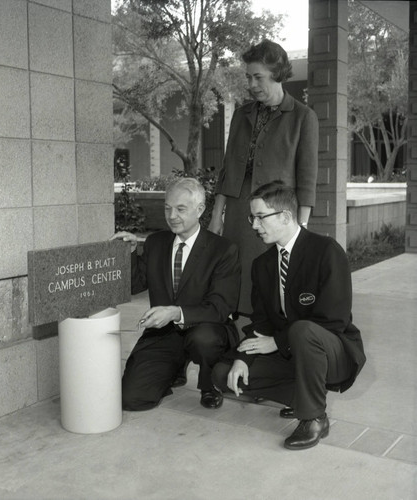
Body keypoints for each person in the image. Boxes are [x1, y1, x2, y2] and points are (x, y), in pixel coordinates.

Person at [211, 181, 366, 450]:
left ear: (285, 216)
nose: (254, 225)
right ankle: (300, 398)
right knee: (223, 373)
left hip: (333, 352)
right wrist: (242, 358)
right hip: (292, 352)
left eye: (260, 217)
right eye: (252, 217)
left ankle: (314, 418)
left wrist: (277, 343)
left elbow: (335, 319)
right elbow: (261, 321)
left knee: (302, 330)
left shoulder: (326, 251)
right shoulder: (262, 265)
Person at [208, 39, 319, 316]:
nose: (252, 84)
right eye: (248, 77)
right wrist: (216, 215)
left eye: (258, 77)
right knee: (237, 277)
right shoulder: (241, 114)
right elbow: (228, 168)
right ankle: (236, 338)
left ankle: (269, 336)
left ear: (277, 74)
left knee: (271, 281)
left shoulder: (303, 117)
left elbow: (307, 177)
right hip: (238, 212)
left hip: (277, 214)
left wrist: (301, 226)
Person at [111, 177, 241, 411]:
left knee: (204, 339)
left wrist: (175, 312)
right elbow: (134, 285)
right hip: (164, 333)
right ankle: (172, 369)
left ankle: (209, 384)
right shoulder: (156, 242)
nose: (172, 216)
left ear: (200, 210)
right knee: (131, 399)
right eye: (167, 208)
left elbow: (221, 307)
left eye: (181, 209)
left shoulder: (223, 250)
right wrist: (130, 254)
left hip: (207, 328)